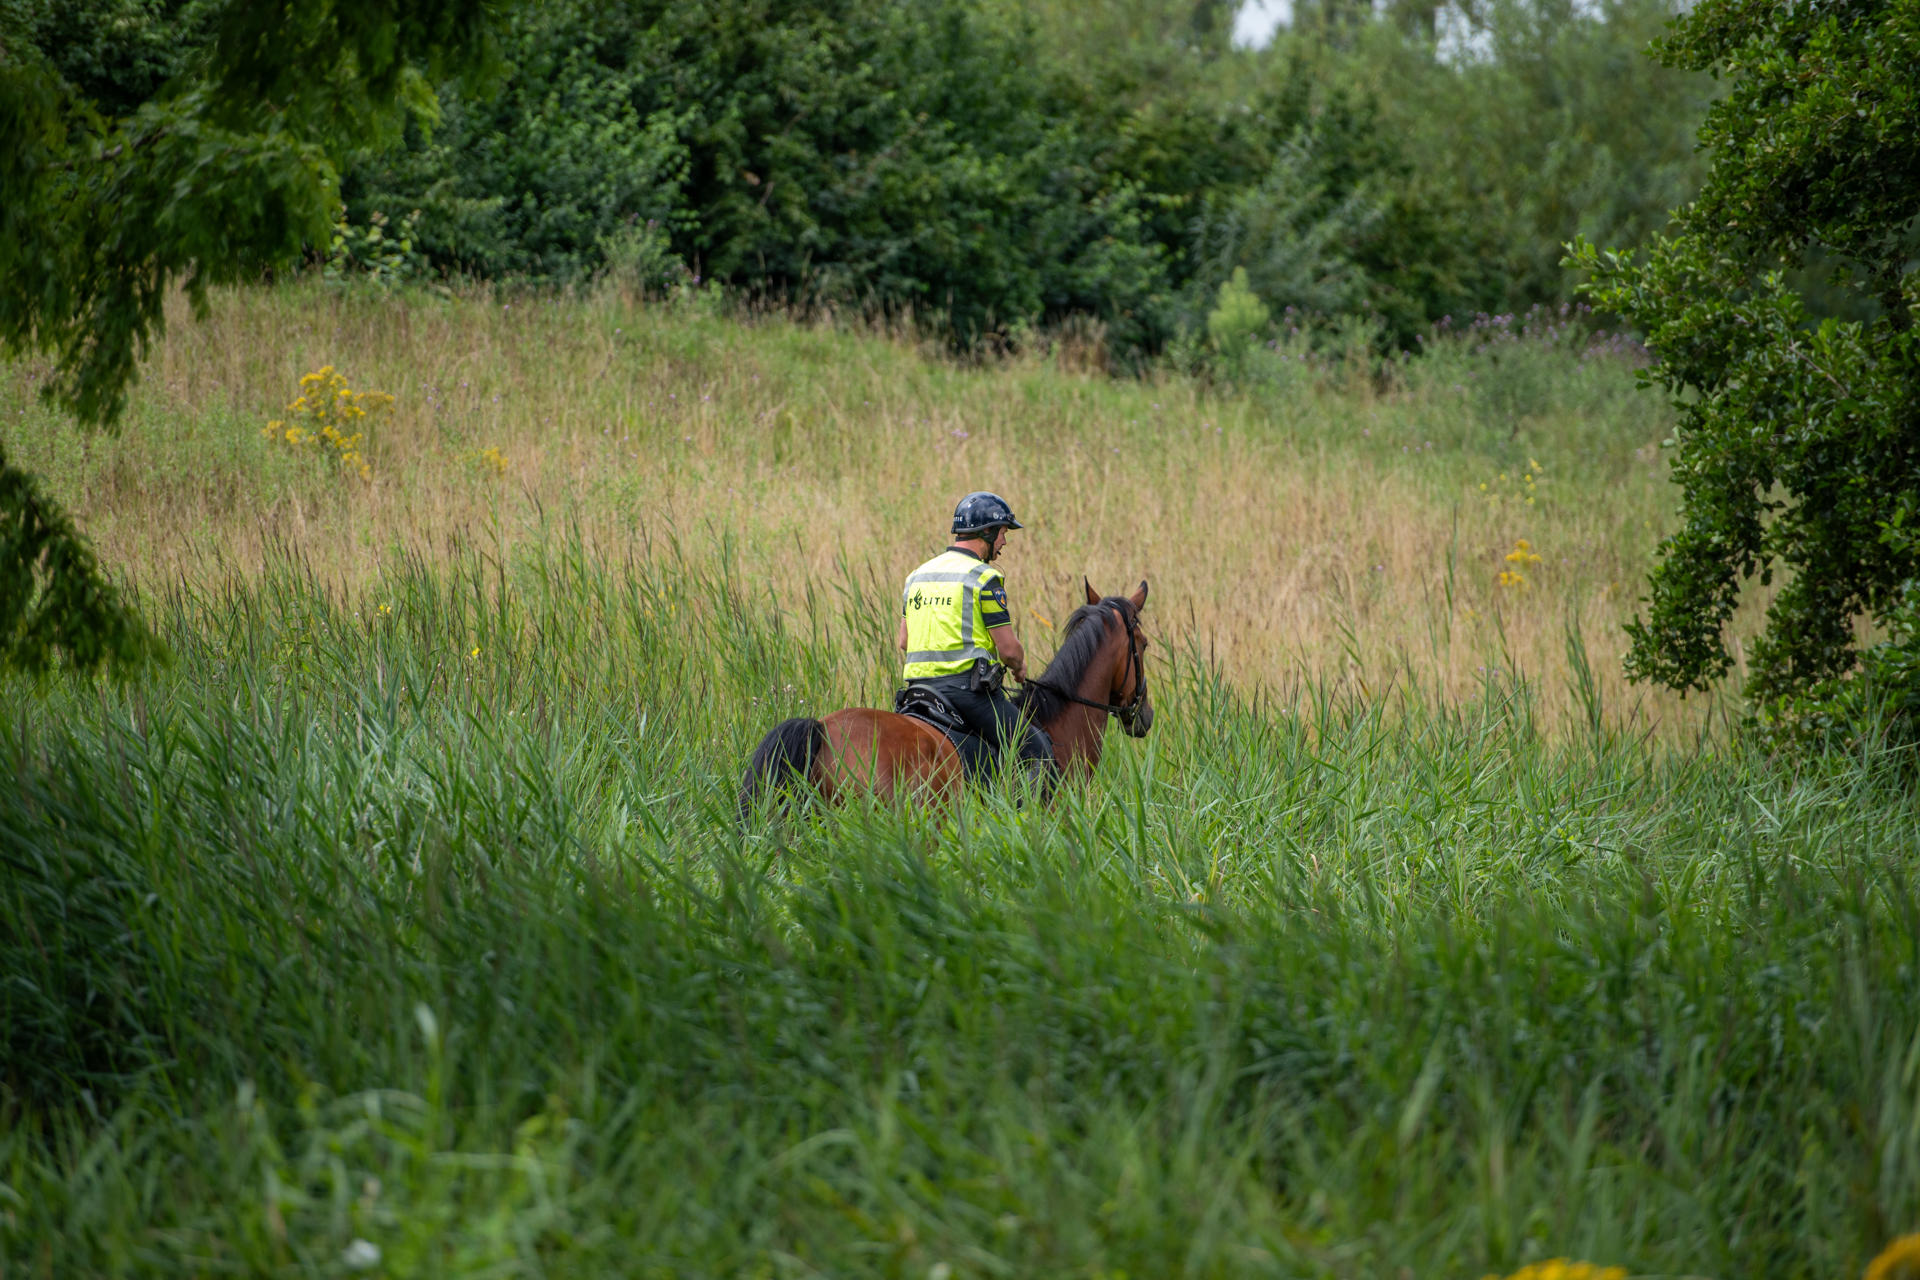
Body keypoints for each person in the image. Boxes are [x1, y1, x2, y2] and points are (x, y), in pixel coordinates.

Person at [896, 491, 1056, 789]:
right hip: (965, 693)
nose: (1004, 542)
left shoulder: (916, 576)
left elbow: (904, 641)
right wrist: (1019, 667)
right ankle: (1020, 816)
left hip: (917, 692)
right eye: (1003, 533)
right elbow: (1008, 650)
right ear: (987, 532)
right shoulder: (983, 578)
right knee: (1037, 750)